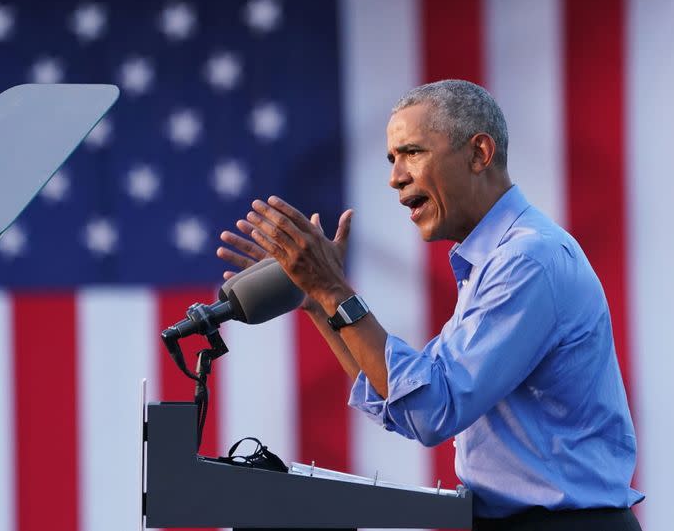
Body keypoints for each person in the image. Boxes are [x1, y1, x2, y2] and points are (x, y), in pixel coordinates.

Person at [217, 79, 643, 530]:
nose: (395, 177)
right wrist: (322, 303)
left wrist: (335, 291)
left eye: (412, 152)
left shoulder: (527, 259)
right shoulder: (499, 259)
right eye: (391, 158)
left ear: (479, 153)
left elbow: (432, 410)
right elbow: (405, 400)